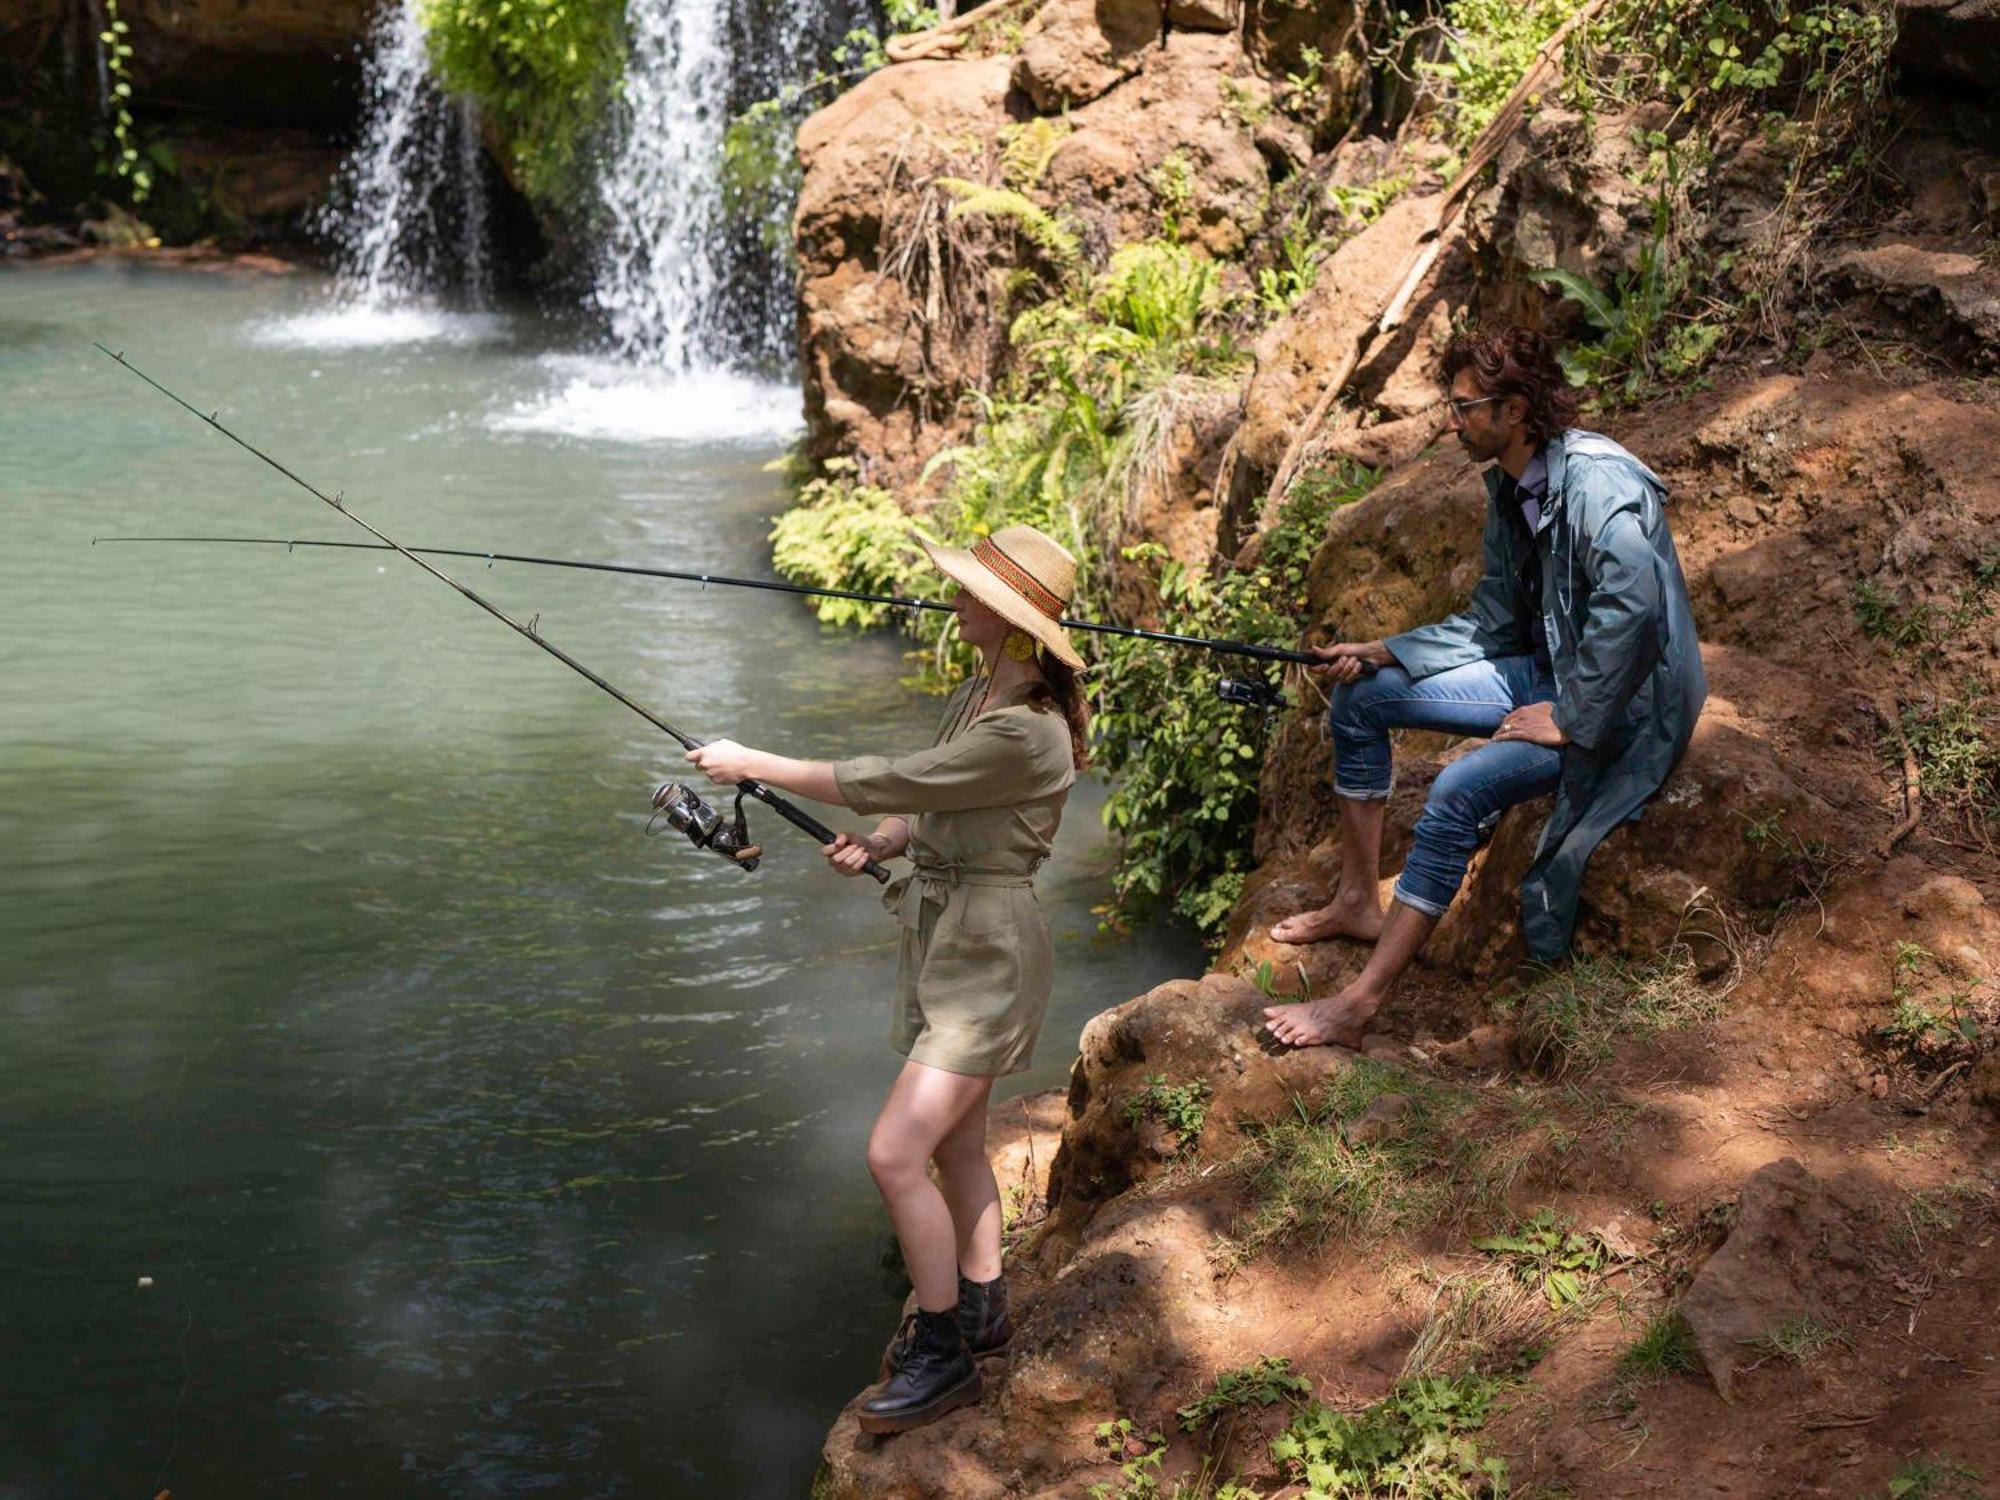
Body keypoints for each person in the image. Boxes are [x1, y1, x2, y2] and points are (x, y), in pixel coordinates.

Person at [684, 523, 1090, 1434]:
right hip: (948, 933)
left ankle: (941, 1355)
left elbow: (893, 773)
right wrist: (887, 839)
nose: (954, 594)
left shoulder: (1028, 728)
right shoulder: (984, 694)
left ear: (1009, 615)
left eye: (970, 587)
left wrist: (754, 763)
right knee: (954, 1145)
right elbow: (932, 797)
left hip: (988, 952)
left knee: (893, 1152)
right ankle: (983, 1307)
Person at [1263, 325, 1705, 1049]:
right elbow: (1494, 621)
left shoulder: (1598, 482)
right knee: (1361, 698)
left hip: (1623, 705)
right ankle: (1356, 900)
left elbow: (1636, 604)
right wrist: (1386, 651)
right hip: (1553, 670)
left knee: (1455, 792)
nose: (1451, 419)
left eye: (1466, 406)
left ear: (1517, 409)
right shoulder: (1509, 487)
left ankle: (1360, 1003)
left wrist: (1570, 715)